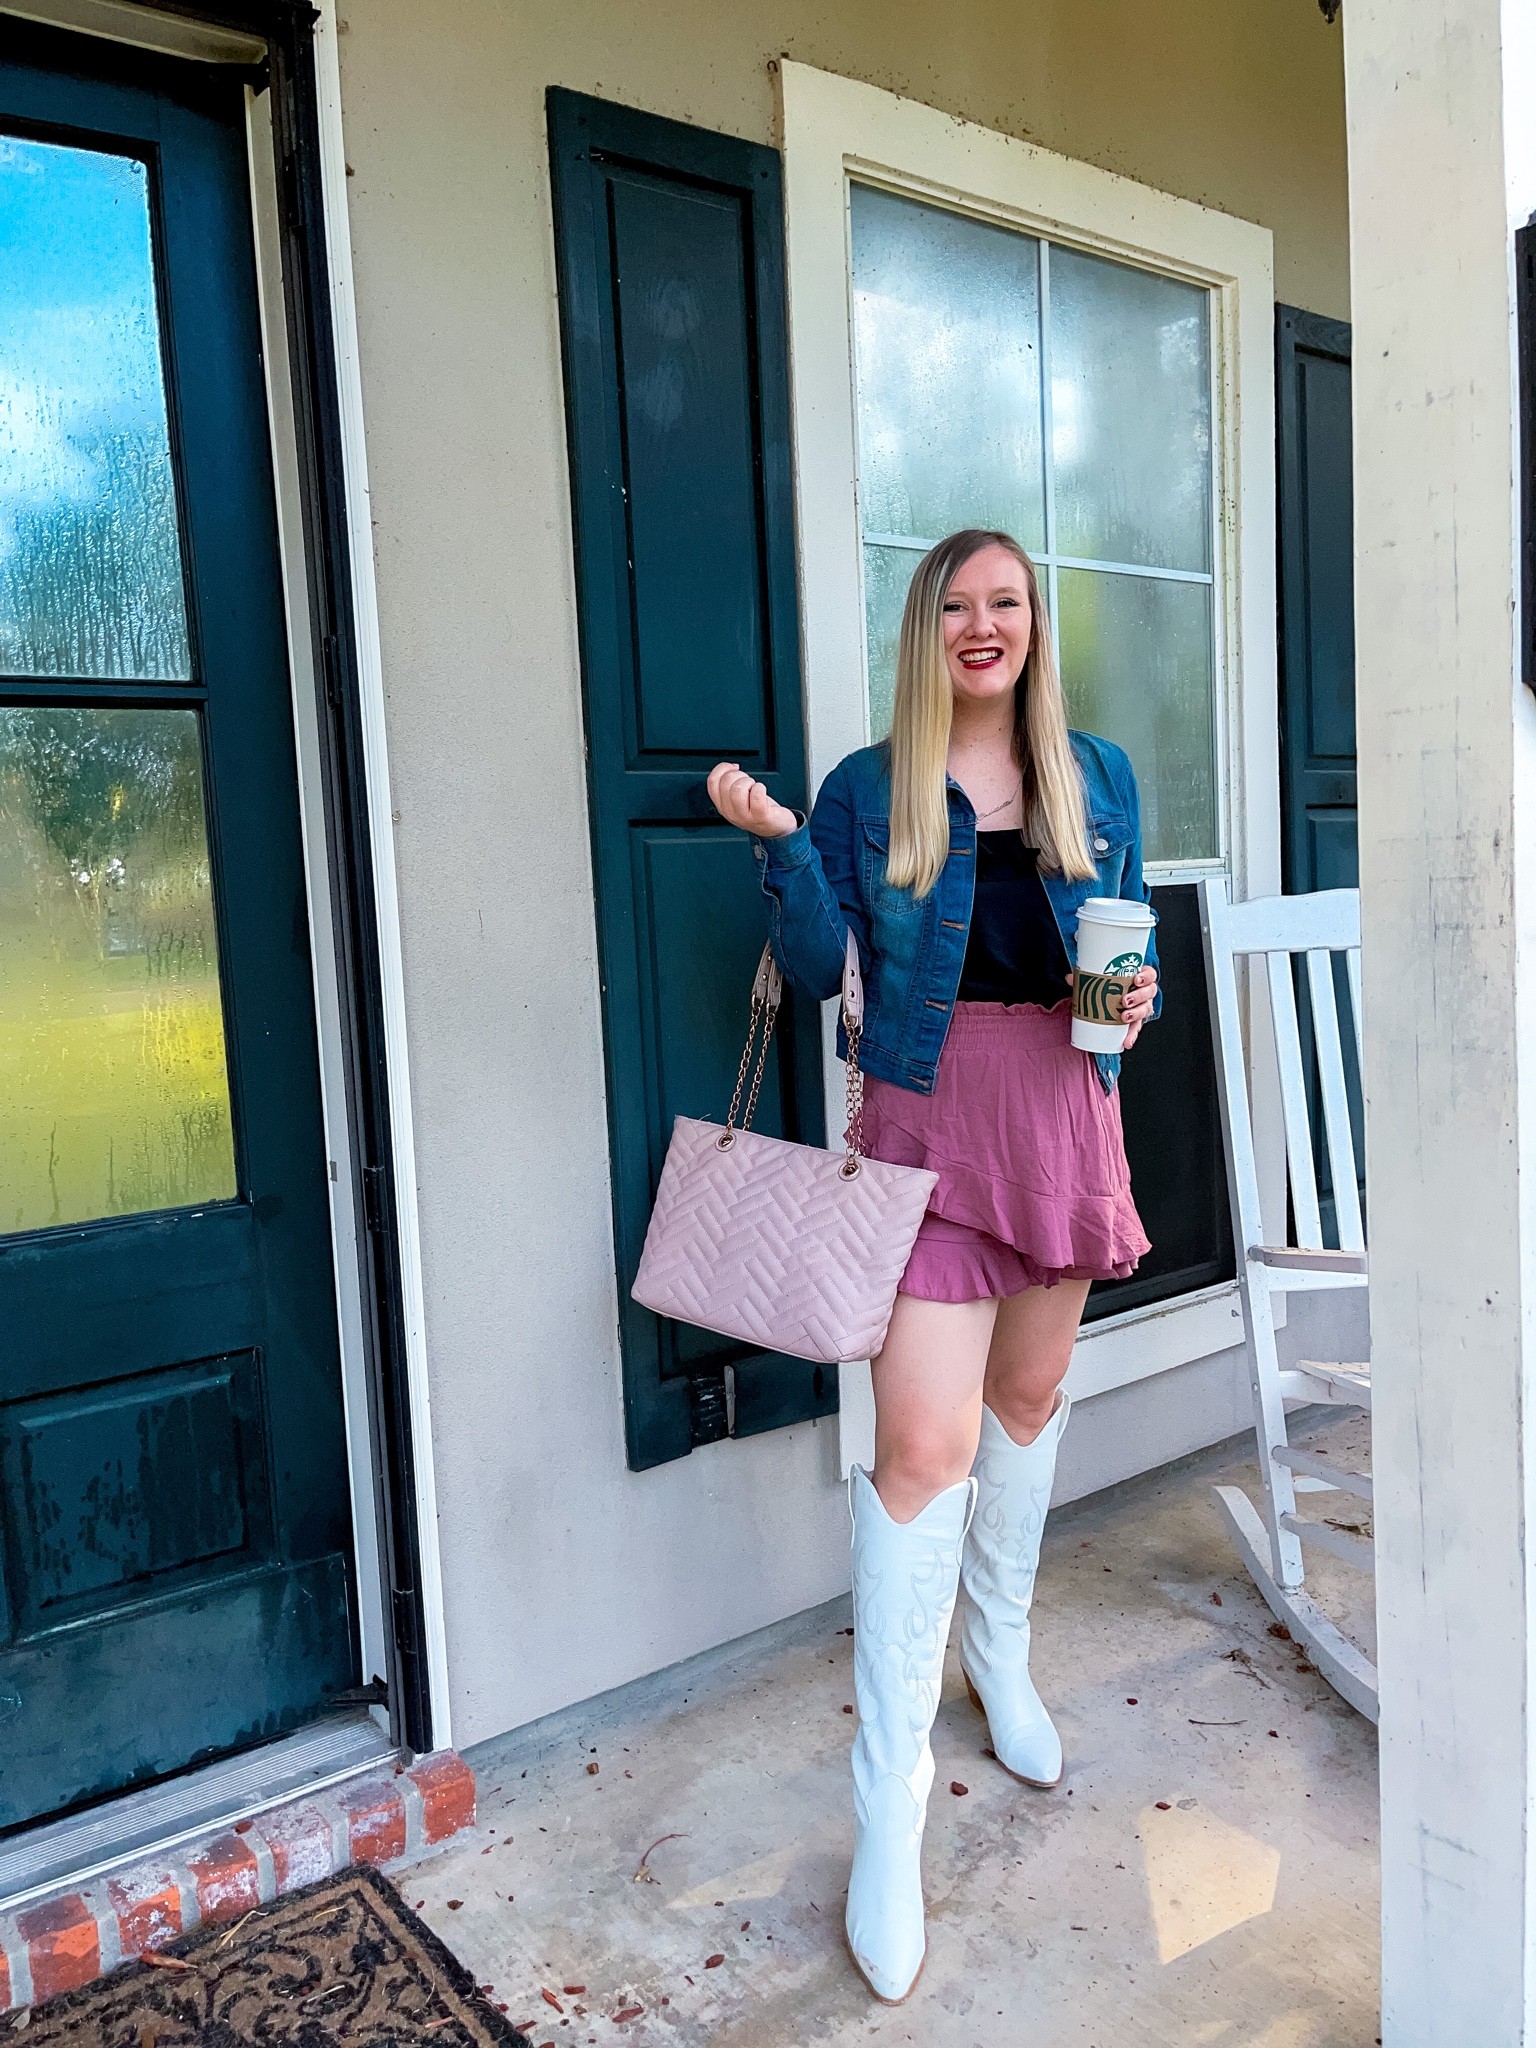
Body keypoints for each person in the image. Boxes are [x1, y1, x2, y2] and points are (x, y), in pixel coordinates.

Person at [706, 528, 1159, 2004]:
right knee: (920, 1449)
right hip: (921, 1124)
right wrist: (784, 847)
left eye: (1005, 602)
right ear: (927, 629)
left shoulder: (1098, 777)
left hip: (1062, 1117)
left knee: (1026, 1402)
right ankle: (888, 1808)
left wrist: (1133, 998)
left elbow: (1118, 958)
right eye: (956, 604)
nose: (982, 625)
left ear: (1033, 624)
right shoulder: (866, 787)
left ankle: (1001, 1655)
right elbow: (820, 971)